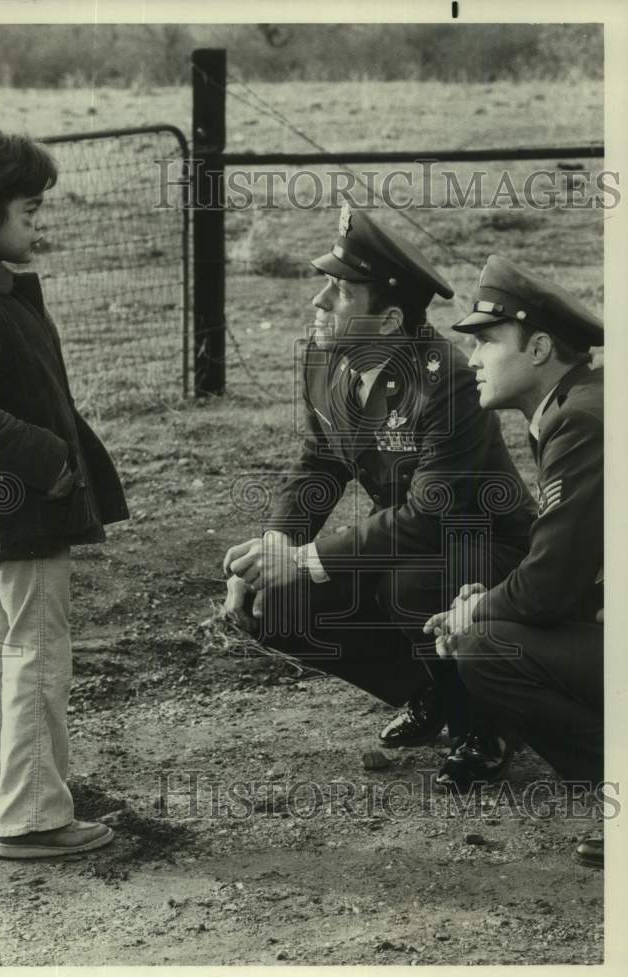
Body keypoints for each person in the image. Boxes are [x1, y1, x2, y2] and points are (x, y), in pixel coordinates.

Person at [223, 204, 536, 762]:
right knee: (278, 605)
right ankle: (428, 693)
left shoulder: (447, 382)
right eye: (326, 284)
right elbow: (321, 460)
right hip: (405, 539)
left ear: (389, 322)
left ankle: (483, 728)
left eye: (341, 291)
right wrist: (273, 548)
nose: (319, 301)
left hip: (484, 545)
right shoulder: (325, 355)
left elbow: (431, 516)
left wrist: (304, 558)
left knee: (408, 586)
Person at [0, 126, 129, 859]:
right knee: (38, 657)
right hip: (23, 511)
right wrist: (50, 462)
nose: (38, 225)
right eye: (29, 211)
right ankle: (35, 817)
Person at [423, 255, 604, 867]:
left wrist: (478, 612)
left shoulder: (580, 420)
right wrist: (493, 600)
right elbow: (574, 565)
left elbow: (549, 587)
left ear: (540, 348)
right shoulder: (578, 404)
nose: (473, 359)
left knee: (486, 649)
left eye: (487, 341)